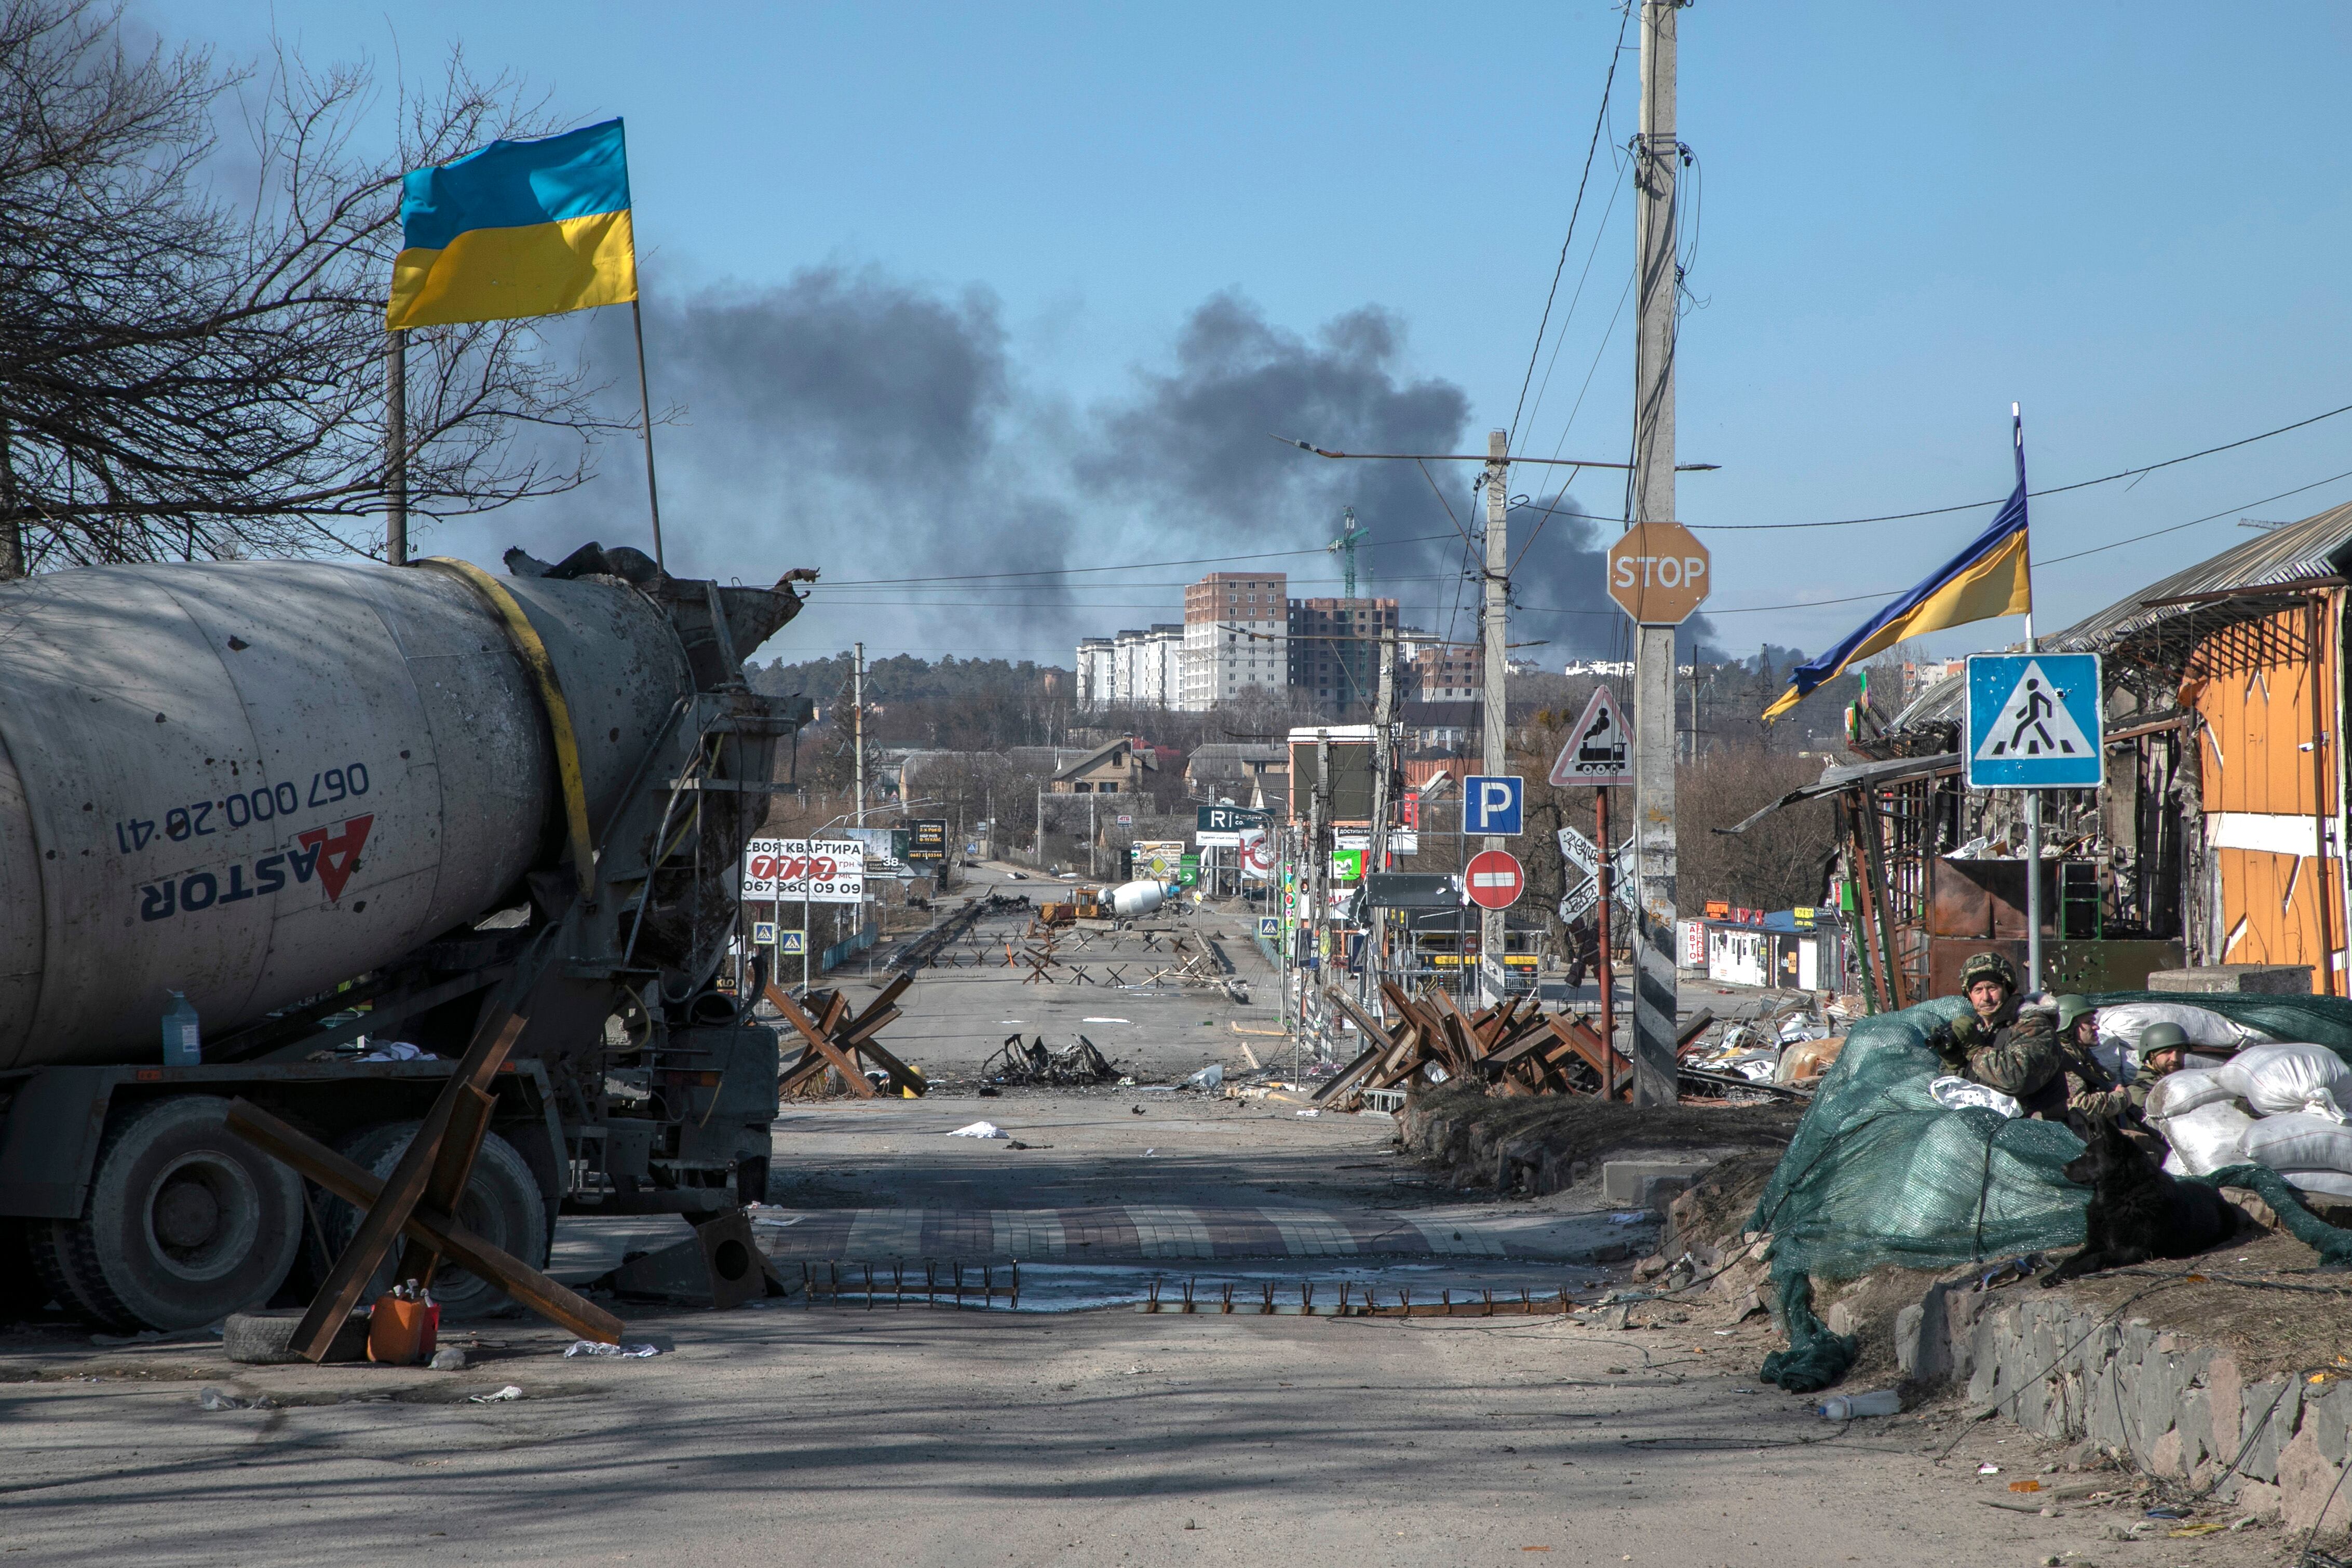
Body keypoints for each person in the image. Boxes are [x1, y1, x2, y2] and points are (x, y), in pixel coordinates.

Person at [1936, 950, 2067, 1118]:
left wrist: (1976, 1051)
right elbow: (1963, 1089)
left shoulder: (2033, 1023)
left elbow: (2017, 1079)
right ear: (1969, 995)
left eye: (1992, 988)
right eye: (1978, 990)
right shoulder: (1981, 1027)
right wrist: (1954, 1064)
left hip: (2037, 1131)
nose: (1986, 998)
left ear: (2007, 987)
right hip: (1992, 1125)